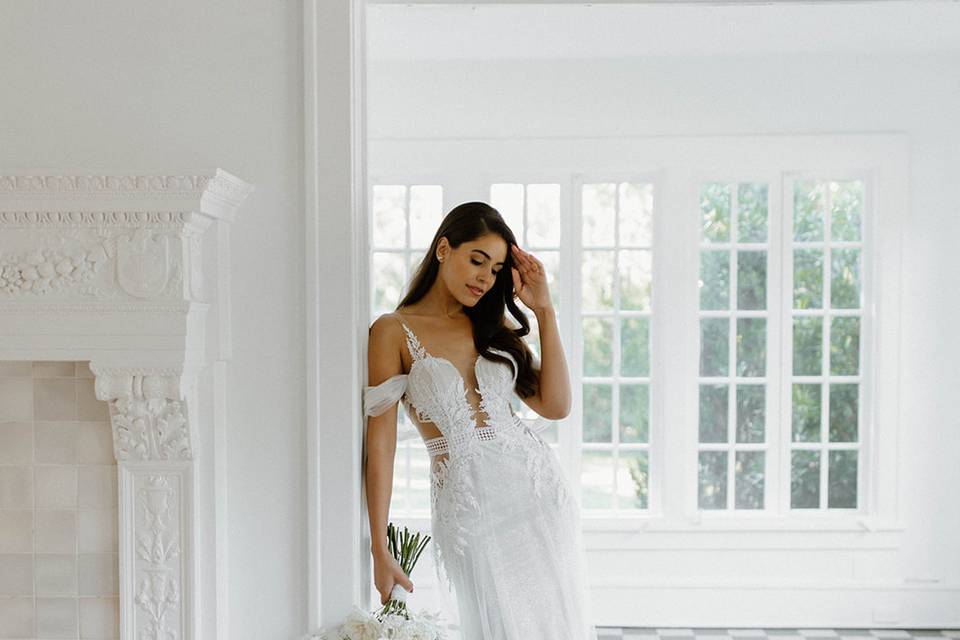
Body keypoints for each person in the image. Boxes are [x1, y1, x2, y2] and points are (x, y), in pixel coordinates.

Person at [363, 201, 598, 639]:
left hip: (536, 492)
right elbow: (381, 445)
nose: (484, 278)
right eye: (477, 260)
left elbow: (556, 405)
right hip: (469, 506)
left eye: (495, 269)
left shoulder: (492, 325)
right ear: (443, 249)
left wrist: (545, 311)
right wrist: (379, 545)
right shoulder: (392, 331)